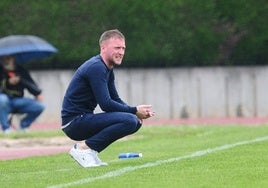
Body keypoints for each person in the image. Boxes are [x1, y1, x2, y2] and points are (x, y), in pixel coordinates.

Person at [61, 29, 155, 168]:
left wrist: (135, 114)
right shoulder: (96, 67)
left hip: (83, 118)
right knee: (129, 120)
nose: (121, 52)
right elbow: (106, 104)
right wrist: (134, 110)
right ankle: (83, 149)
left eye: (123, 48)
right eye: (117, 48)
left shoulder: (107, 68)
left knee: (134, 122)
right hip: (74, 123)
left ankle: (90, 152)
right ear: (103, 48)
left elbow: (115, 98)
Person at [0, 55, 45, 133]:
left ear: (13, 59)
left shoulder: (21, 70)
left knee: (40, 106)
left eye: (8, 58)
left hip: (18, 100)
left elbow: (33, 86)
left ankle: (23, 126)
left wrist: (21, 80)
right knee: (2, 99)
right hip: (3, 101)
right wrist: (8, 82)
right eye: (3, 58)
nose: (5, 60)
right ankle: (6, 128)